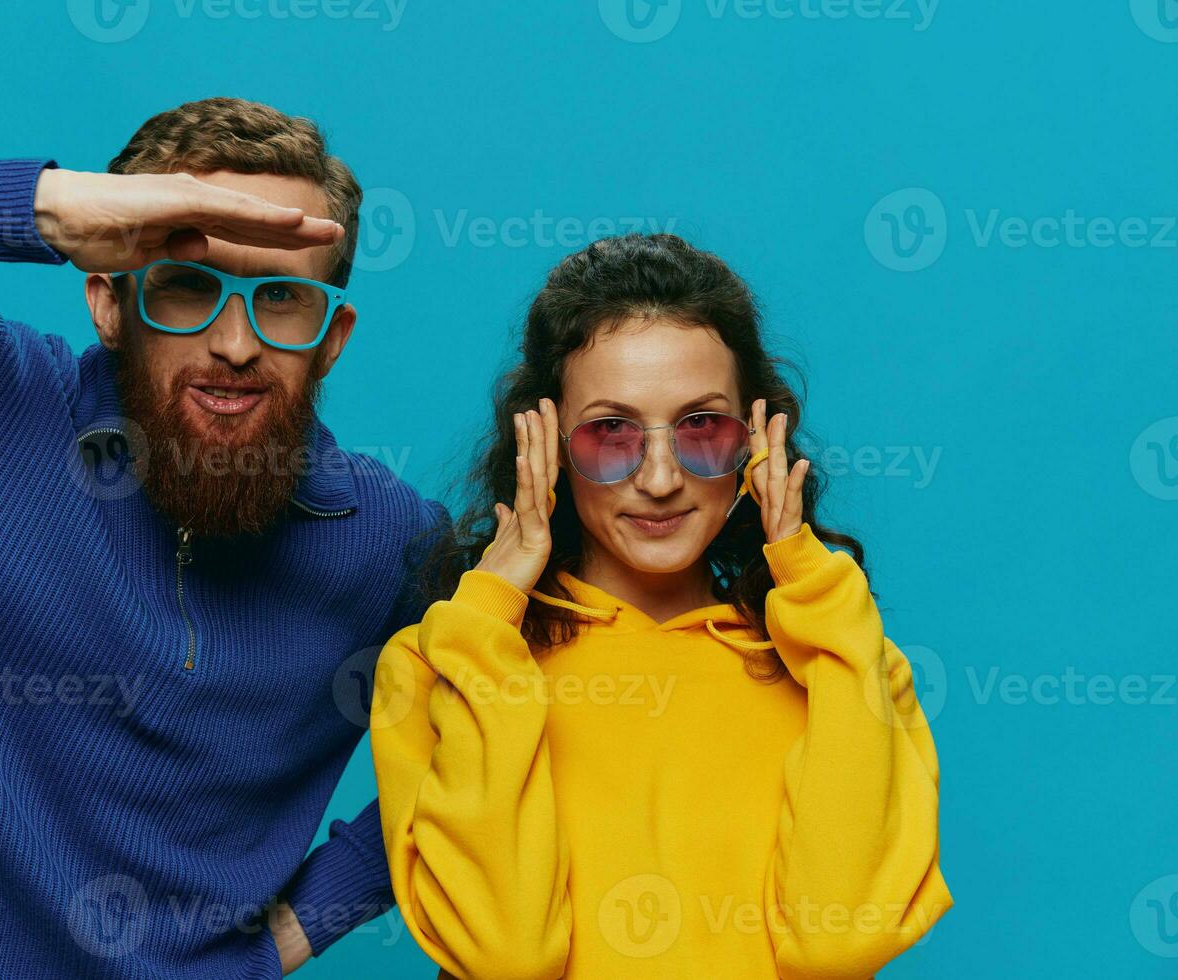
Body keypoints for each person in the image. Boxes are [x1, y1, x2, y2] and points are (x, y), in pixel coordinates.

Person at [0, 98, 445, 978]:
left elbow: (505, 721)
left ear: (331, 340)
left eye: (282, 299)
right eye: (185, 285)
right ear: (107, 297)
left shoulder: (384, 538)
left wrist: (296, 931)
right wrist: (37, 204)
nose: (236, 343)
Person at [371, 234, 953, 978]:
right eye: (611, 430)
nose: (659, 478)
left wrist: (811, 585)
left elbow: (838, 945)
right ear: (541, 442)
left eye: (701, 427)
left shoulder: (846, 665)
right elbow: (508, 956)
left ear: (758, 436)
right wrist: (490, 611)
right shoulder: (439, 664)